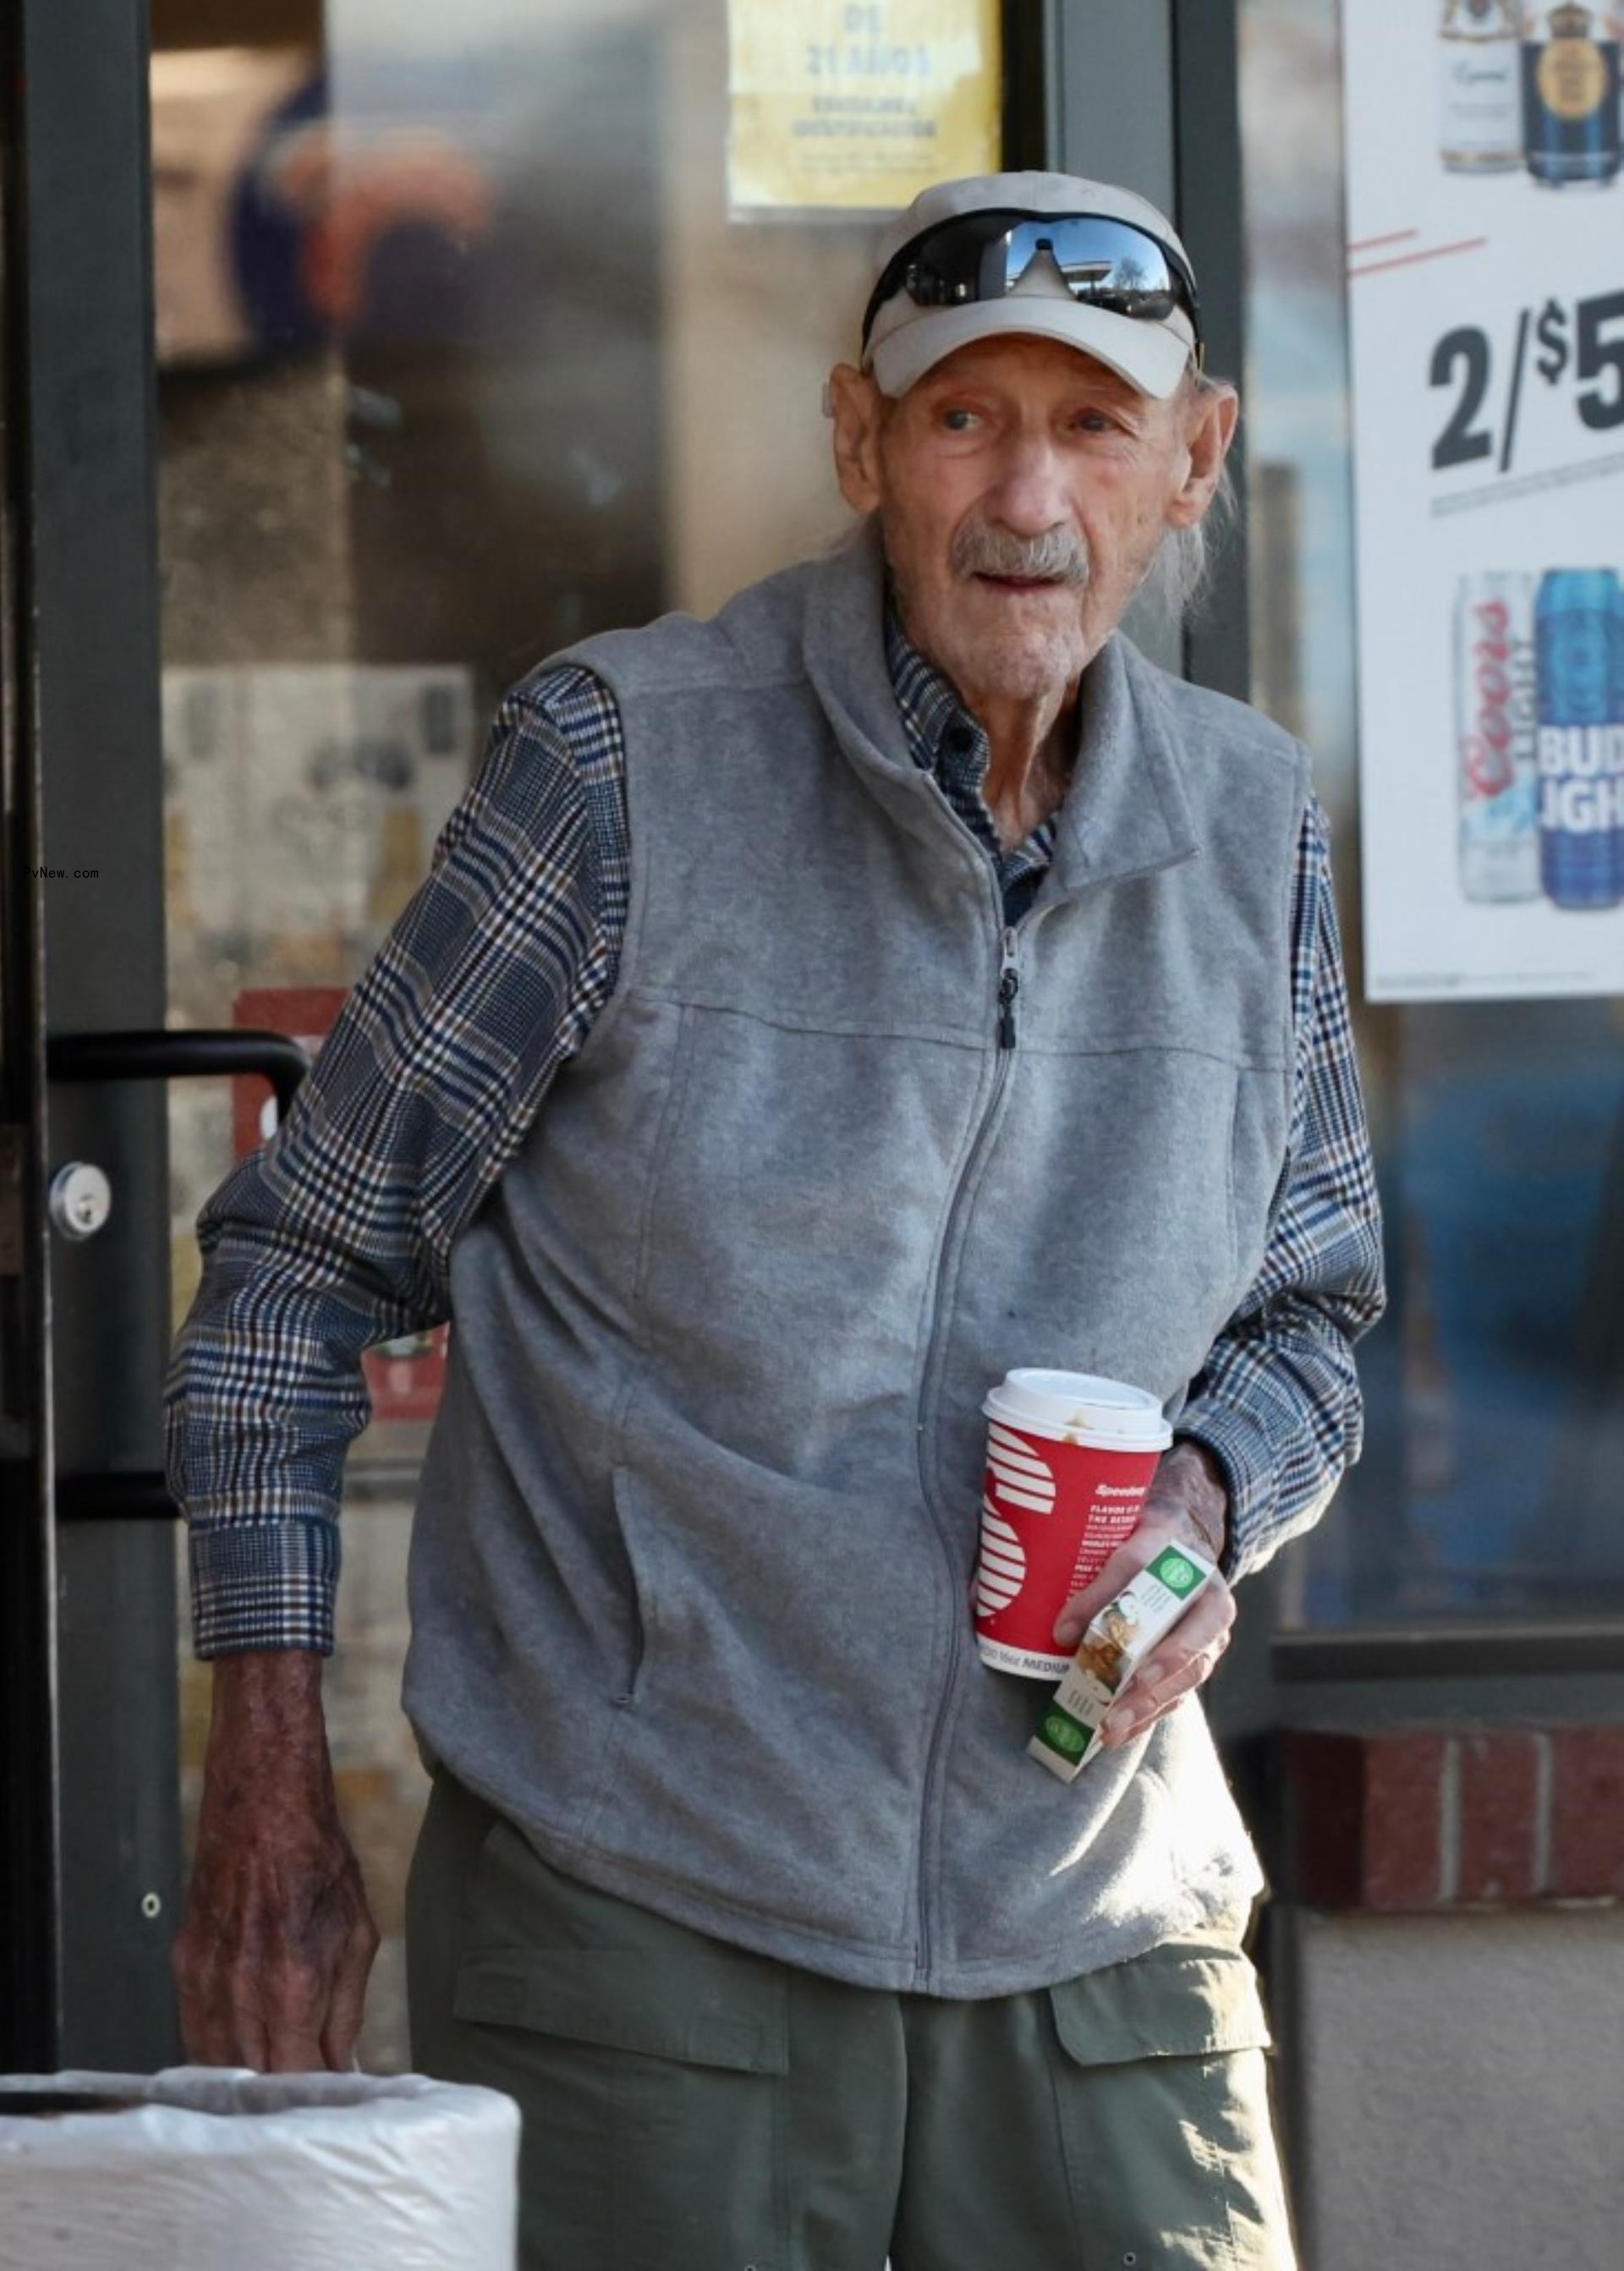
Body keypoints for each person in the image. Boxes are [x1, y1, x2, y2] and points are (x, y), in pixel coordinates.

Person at [167, 170, 1385, 2268]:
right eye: (961, 420)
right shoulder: (623, 765)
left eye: (1094, 426)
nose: (1027, 496)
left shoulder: (1255, 819)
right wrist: (270, 1788)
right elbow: (292, 1276)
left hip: (1102, 1927)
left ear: (1196, 460)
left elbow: (1312, 1318)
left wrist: (1209, 1491)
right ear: (860, 444)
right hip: (652, 1928)